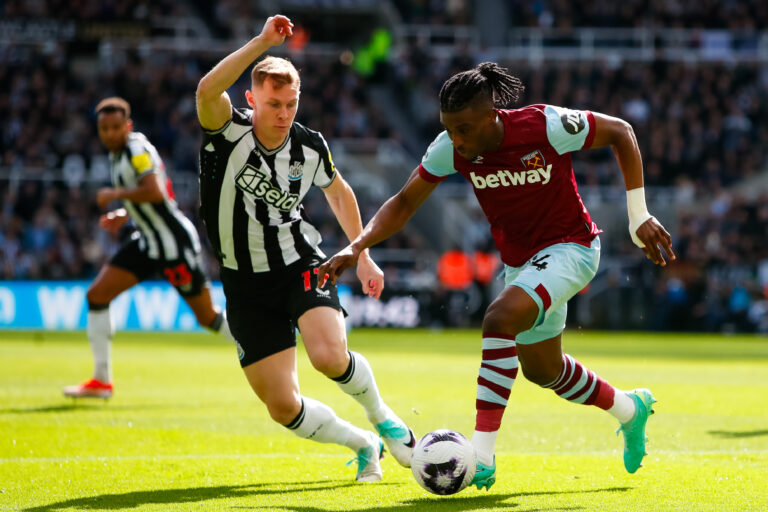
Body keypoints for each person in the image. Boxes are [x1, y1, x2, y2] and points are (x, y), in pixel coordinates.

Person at [319, 62, 676, 489]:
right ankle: (630, 409)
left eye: (465, 129)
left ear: (492, 115)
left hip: (573, 247)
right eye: (450, 129)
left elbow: (622, 132)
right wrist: (357, 245)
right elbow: (403, 202)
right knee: (544, 372)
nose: (457, 139)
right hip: (523, 263)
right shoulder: (450, 148)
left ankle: (482, 456)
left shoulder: (544, 125)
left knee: (498, 319)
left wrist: (639, 215)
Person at [194, 15, 414, 482]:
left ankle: (383, 417)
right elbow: (206, 92)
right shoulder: (225, 133)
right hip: (244, 283)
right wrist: (260, 42)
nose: (283, 113)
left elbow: (340, 193)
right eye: (273, 103)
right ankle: (362, 443)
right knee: (281, 406)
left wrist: (363, 253)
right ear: (251, 99)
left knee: (329, 356)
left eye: (291, 103)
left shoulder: (309, 147)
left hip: (301, 263)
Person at [63, 97, 237, 399]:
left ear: (127, 126)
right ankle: (101, 381)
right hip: (146, 241)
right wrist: (126, 212)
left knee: (207, 317)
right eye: (104, 128)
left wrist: (116, 194)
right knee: (97, 295)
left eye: (116, 127)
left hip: (173, 244)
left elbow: (155, 191)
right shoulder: (118, 155)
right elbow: (157, 192)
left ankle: (261, 347)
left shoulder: (135, 150)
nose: (110, 133)